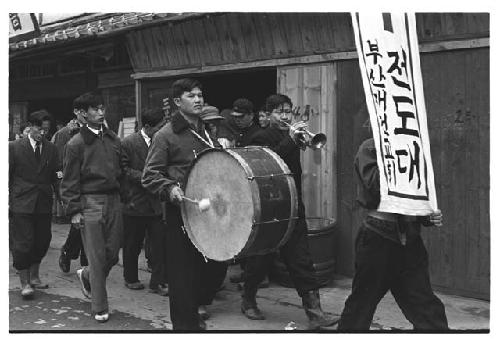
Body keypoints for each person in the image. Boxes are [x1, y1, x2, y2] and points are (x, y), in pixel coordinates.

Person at [240, 94, 338, 330]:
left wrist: (303, 141)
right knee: (261, 257)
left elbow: (303, 158)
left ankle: (315, 313)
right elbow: (268, 164)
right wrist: (292, 140)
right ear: (268, 114)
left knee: (301, 258)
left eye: (287, 111)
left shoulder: (289, 135)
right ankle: (248, 299)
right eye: (279, 112)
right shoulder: (258, 136)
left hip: (293, 204)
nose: (285, 116)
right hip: (270, 206)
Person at [337, 137, 448, 331]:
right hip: (378, 237)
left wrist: (426, 216)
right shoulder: (369, 148)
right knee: (360, 309)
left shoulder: (414, 147)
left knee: (427, 309)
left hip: (410, 240)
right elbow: (375, 187)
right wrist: (396, 155)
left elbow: (416, 192)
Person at [142, 78, 219, 330]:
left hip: (208, 212)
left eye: (200, 94)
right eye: (191, 96)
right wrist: (170, 188)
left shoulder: (206, 129)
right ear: (177, 102)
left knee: (210, 269)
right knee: (182, 276)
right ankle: (184, 326)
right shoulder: (165, 135)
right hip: (181, 213)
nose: (198, 99)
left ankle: (193, 313)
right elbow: (150, 176)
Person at [60, 91, 123, 323]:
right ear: (83, 114)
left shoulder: (113, 139)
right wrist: (74, 210)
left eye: (101, 108)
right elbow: (69, 180)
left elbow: (122, 171)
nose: (100, 112)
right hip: (90, 202)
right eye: (95, 109)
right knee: (96, 257)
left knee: (113, 254)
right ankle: (99, 306)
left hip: (114, 200)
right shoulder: (75, 143)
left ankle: (85, 275)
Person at [9, 110, 61, 299]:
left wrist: (63, 198)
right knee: (23, 244)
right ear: (30, 126)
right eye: (40, 129)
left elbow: (57, 175)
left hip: (43, 202)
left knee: (42, 240)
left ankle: (35, 276)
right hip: (21, 202)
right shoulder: (14, 147)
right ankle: (25, 283)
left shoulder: (52, 149)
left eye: (46, 130)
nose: (43, 133)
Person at [120, 107, 168, 294]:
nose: (162, 129)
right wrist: (146, 178)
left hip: (156, 203)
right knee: (132, 243)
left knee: (159, 244)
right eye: (159, 126)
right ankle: (130, 277)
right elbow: (123, 169)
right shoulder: (128, 143)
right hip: (135, 201)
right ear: (148, 127)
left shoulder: (163, 141)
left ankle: (158, 281)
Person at [53, 108, 88, 273]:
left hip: (92, 186)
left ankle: (85, 265)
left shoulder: (99, 130)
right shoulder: (64, 133)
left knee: (88, 226)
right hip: (74, 185)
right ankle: (68, 251)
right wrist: (63, 190)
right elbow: (60, 164)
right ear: (77, 112)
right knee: (79, 225)